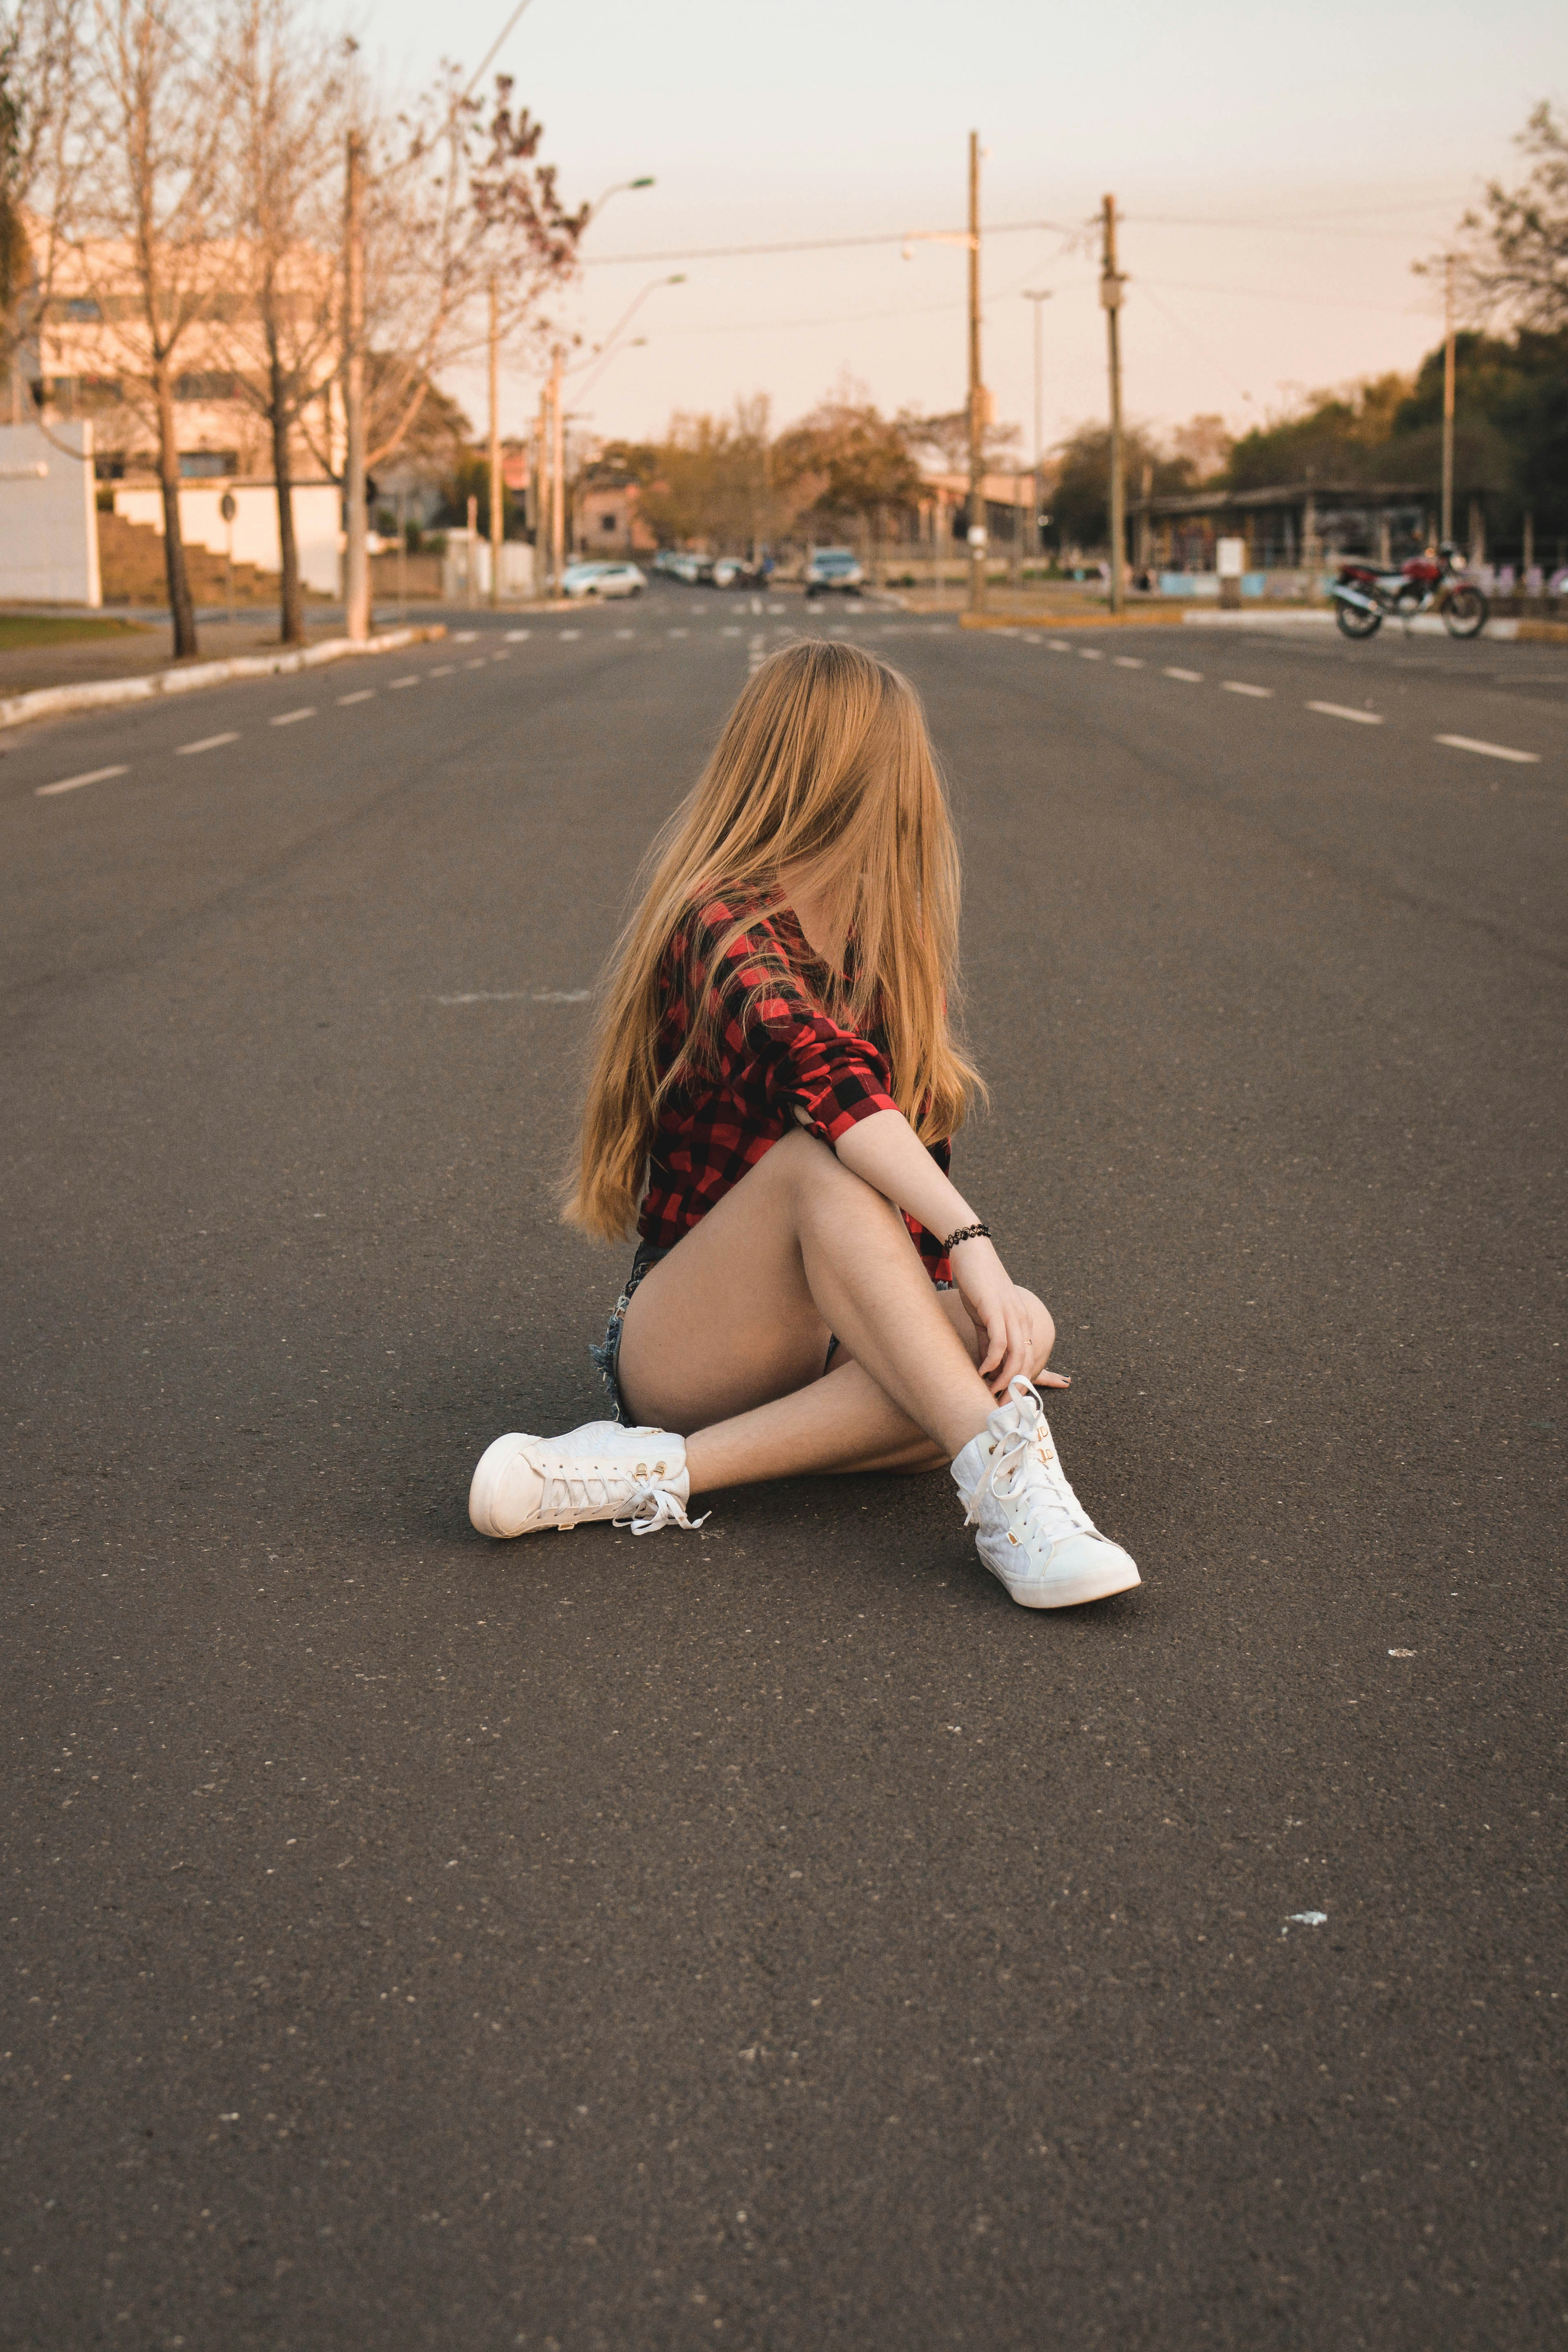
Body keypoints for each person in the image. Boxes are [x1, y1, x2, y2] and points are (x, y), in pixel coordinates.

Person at [467, 641, 1140, 1611]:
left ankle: (645, 1476)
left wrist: (963, 1306)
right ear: (853, 778)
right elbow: (821, 1077)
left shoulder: (885, 946)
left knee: (1019, 1326)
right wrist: (968, 1240)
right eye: (905, 766)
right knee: (814, 1169)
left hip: (827, 1340)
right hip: (693, 1341)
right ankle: (1009, 1494)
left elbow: (890, 1220)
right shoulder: (717, 920)